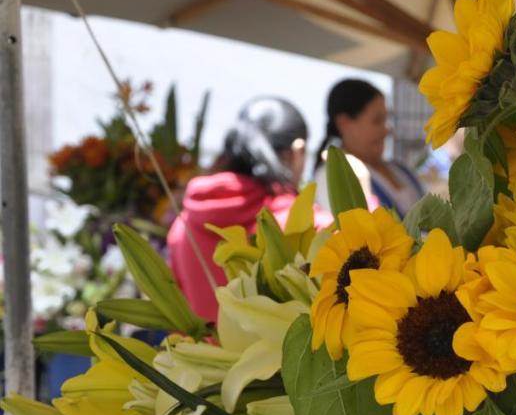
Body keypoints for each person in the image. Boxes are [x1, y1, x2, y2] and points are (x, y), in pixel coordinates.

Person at [168, 97, 311, 322]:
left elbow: (178, 314)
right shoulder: (300, 221)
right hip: (283, 356)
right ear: (297, 151)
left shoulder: (181, 228)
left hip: (206, 354)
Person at [315, 78, 425, 215]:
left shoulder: (401, 170)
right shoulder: (333, 177)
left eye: (386, 119)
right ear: (344, 123)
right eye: (377, 121)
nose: (386, 130)